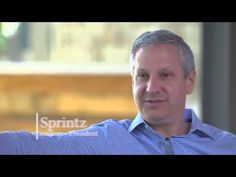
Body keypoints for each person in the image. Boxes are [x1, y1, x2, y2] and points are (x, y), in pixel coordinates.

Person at [1, 29, 236, 155]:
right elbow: (31, 146)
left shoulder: (227, 147)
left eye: (165, 75)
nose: (151, 88)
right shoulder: (106, 140)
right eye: (143, 76)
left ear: (189, 81)